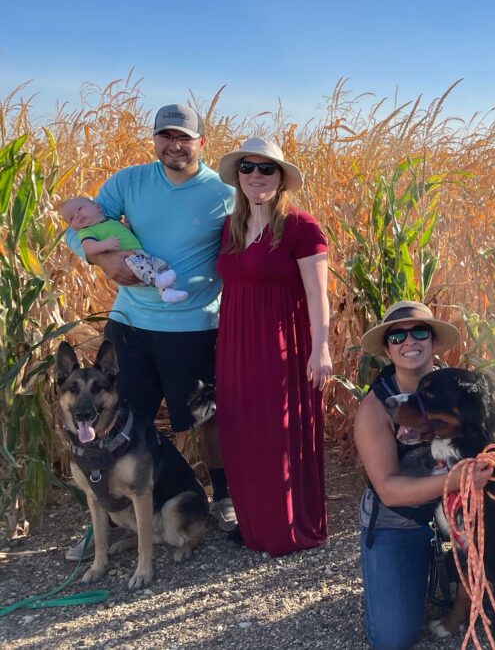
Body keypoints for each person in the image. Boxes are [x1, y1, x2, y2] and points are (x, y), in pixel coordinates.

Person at [62, 104, 237, 560]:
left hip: (193, 325)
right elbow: (76, 227)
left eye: (184, 137)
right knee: (119, 422)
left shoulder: (223, 193)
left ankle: (222, 498)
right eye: (165, 136)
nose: (174, 145)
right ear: (155, 139)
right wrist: (102, 260)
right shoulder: (128, 183)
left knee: (205, 417)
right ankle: (109, 517)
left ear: (201, 142)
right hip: (131, 324)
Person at [213, 137, 331, 556]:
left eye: (266, 169)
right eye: (248, 168)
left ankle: (288, 527)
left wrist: (322, 349)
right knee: (242, 430)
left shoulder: (301, 226)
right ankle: (255, 526)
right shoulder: (230, 226)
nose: (256, 176)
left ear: (281, 177)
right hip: (235, 344)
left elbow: (318, 295)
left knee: (279, 431)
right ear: (238, 176)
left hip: (282, 344)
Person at [353, 301, 493, 650]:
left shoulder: (461, 385)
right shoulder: (374, 409)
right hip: (400, 517)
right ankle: (420, 561)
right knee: (393, 638)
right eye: (397, 335)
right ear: (386, 349)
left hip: (463, 508)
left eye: (419, 331)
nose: (408, 341)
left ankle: (453, 562)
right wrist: (456, 481)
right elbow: (389, 490)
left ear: (432, 341)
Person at [61, 196, 189, 303]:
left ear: (98, 207)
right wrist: (105, 245)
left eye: (80, 209)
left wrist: (126, 228)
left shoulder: (109, 221)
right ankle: (157, 282)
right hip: (128, 259)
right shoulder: (86, 232)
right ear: (73, 227)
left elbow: (121, 232)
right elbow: (88, 247)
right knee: (144, 268)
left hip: (139, 254)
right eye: (71, 218)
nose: (77, 215)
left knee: (159, 265)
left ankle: (166, 292)